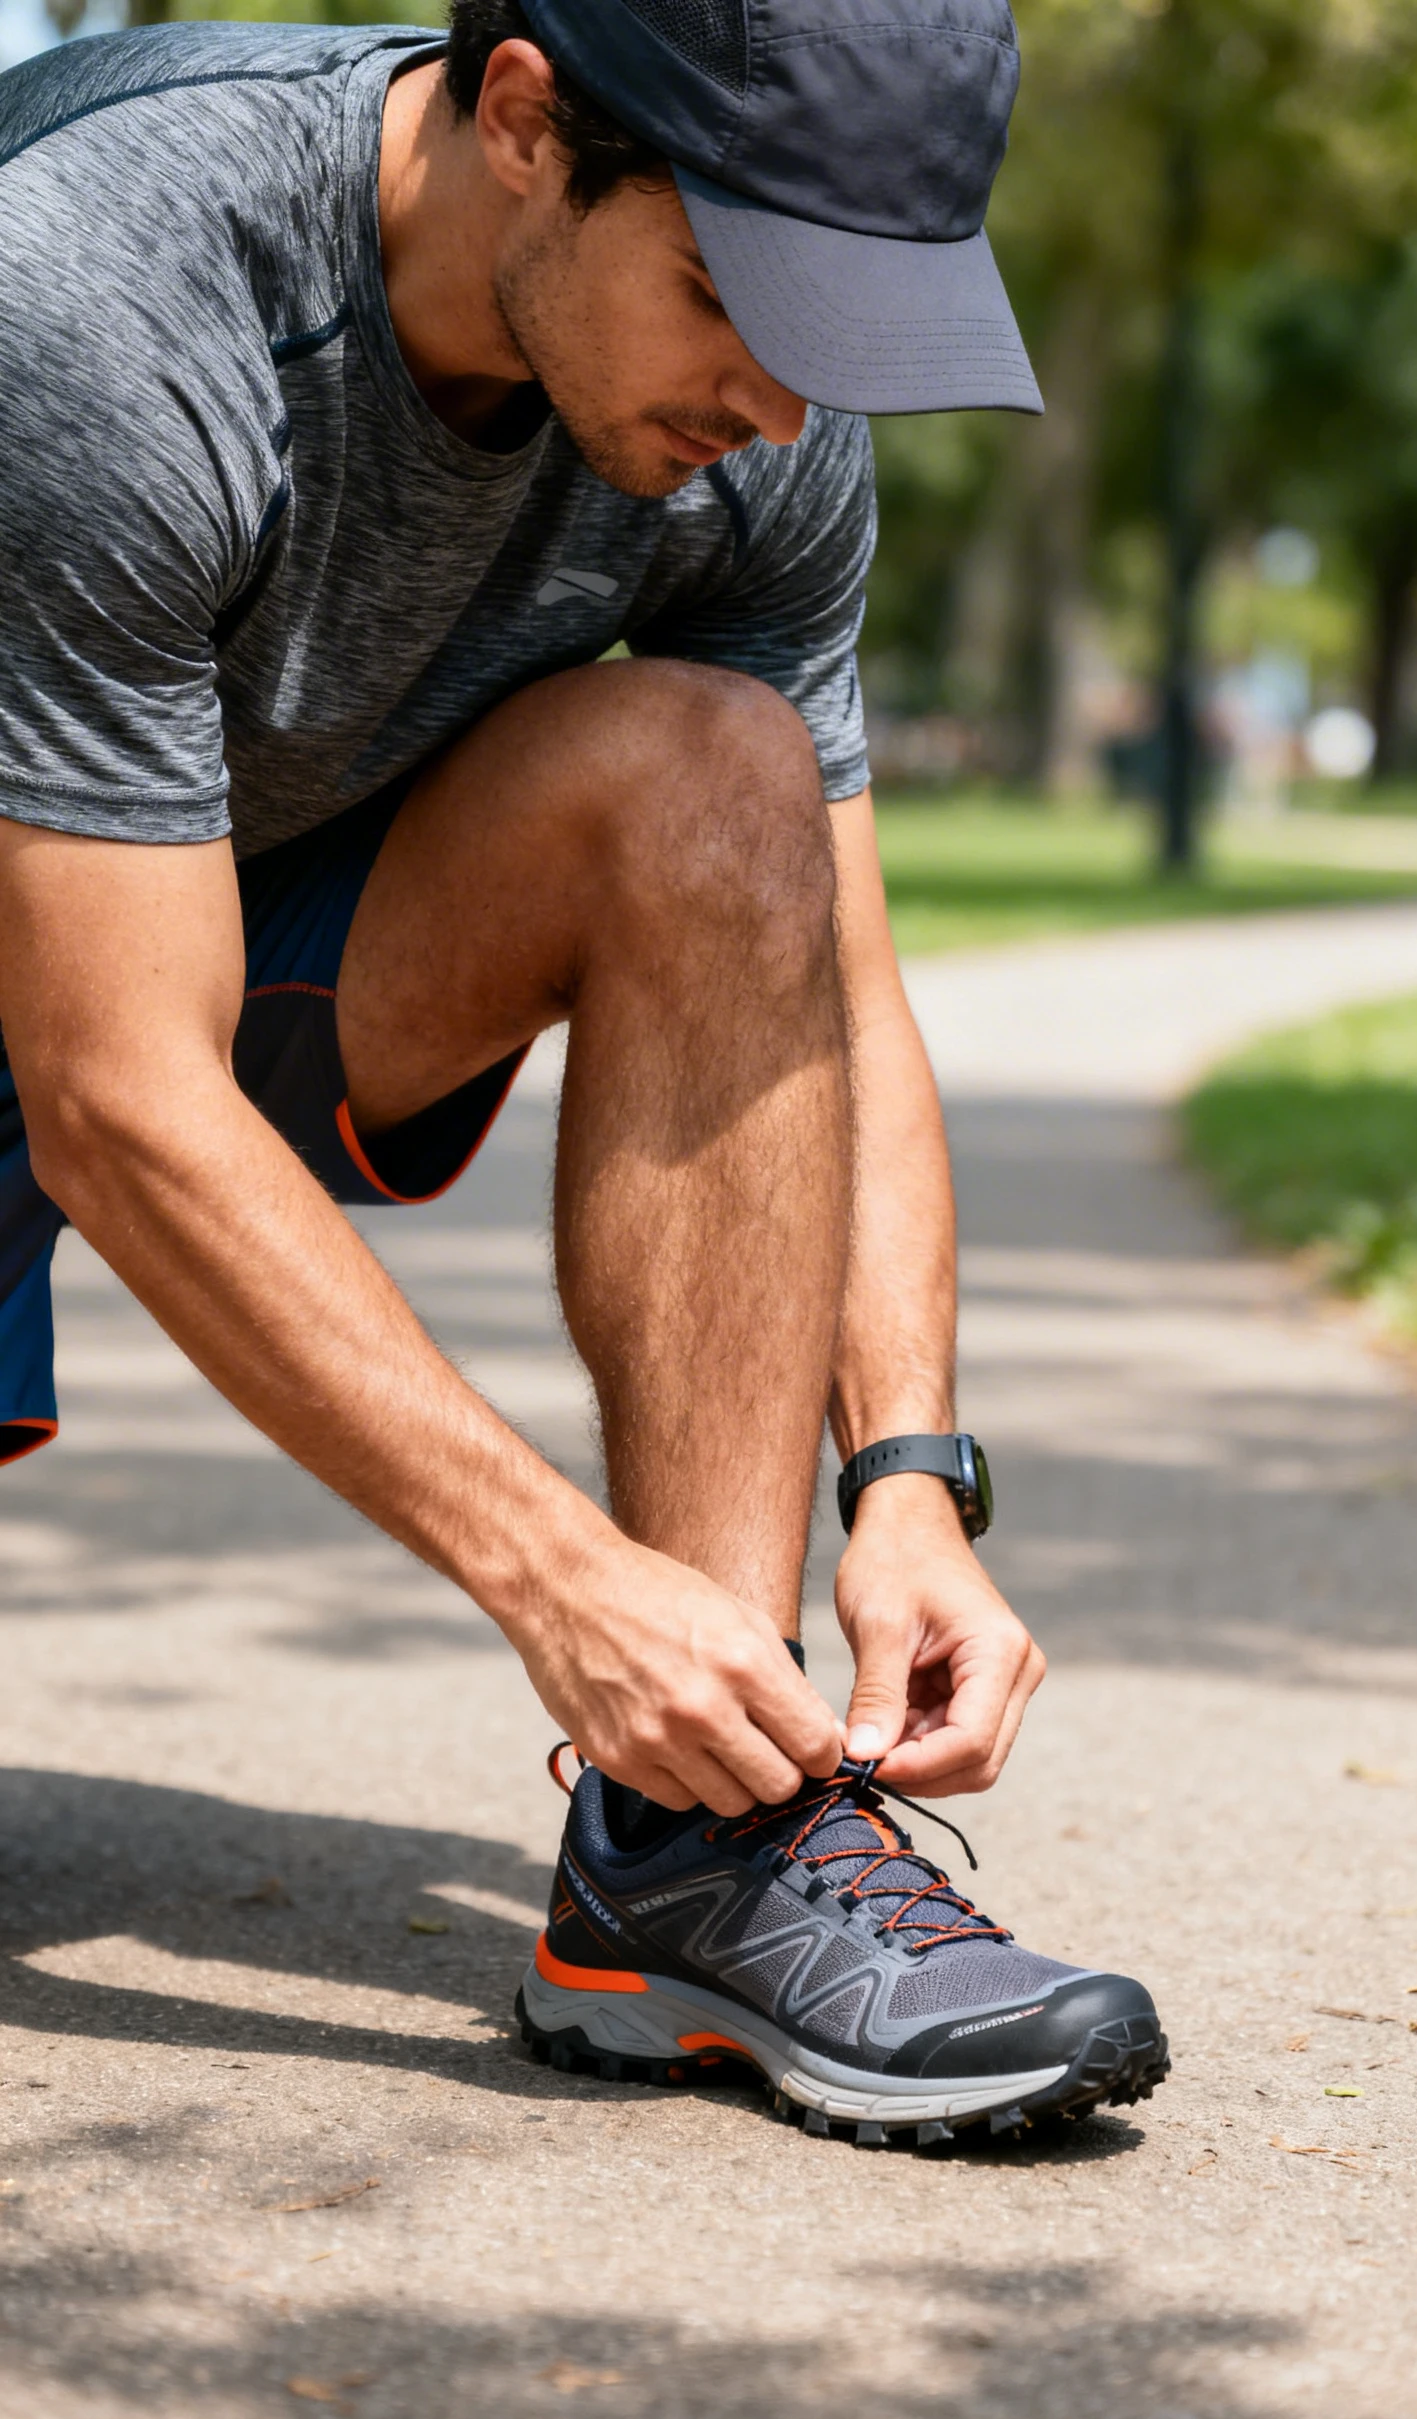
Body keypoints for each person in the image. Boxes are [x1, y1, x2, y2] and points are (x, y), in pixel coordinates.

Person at [0, 0, 1168, 2141]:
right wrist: (554, 1575)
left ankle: (695, 1840)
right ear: (527, 118)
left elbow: (843, 979)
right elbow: (109, 1092)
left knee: (720, 781)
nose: (785, 394)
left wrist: (908, 1473)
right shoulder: (90, 288)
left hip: (197, 923)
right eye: (739, 296)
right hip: (61, 986)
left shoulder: (755, 420)